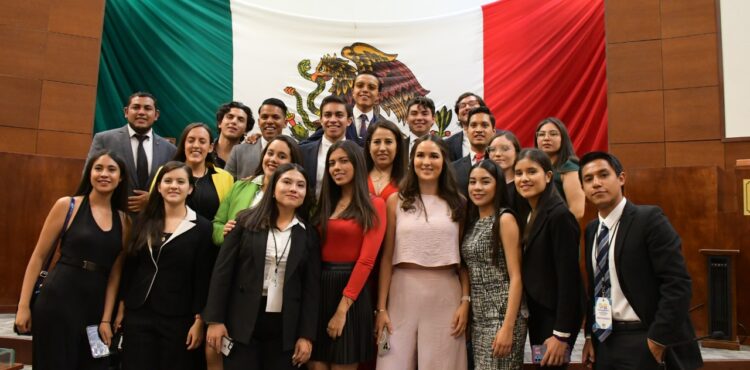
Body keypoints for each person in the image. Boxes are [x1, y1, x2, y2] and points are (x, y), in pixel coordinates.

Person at [578, 152, 703, 370]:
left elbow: (677, 284)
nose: (596, 183)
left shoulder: (649, 220)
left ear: (621, 178)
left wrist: (657, 340)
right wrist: (590, 335)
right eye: (588, 179)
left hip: (644, 336)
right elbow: (596, 289)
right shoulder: (591, 230)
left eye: (603, 175)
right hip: (605, 341)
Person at [15, 150, 129, 370]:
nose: (104, 174)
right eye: (98, 168)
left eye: (111, 169)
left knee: (97, 361)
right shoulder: (67, 206)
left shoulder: (125, 222)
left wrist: (106, 319)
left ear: (121, 177)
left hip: (95, 310)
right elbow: (38, 257)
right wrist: (23, 306)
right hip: (56, 302)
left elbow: (116, 275)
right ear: (89, 173)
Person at [202, 163, 321, 370]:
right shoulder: (245, 221)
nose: (294, 188)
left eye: (300, 185)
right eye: (287, 182)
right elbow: (222, 273)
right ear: (273, 188)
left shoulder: (308, 234)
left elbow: (311, 289)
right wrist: (214, 320)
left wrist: (306, 336)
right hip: (242, 320)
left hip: (285, 326)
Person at [375, 135, 469, 370]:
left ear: (444, 161)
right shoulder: (395, 201)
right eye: (420, 155)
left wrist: (465, 301)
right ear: (412, 160)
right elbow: (386, 258)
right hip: (401, 293)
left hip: (446, 295)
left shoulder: (459, 202)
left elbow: (463, 259)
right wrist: (381, 308)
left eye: (434, 156)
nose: (426, 162)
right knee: (393, 363)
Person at [119, 161, 214, 370]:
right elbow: (130, 267)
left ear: (190, 188)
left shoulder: (203, 227)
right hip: (139, 312)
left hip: (178, 317)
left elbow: (202, 277)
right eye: (168, 181)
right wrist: (121, 306)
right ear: (159, 187)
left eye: (181, 182)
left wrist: (199, 320)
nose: (174, 186)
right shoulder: (143, 221)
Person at [309, 141, 387, 369]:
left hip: (351, 292)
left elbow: (367, 260)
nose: (336, 167)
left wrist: (342, 310)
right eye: (332, 163)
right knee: (315, 365)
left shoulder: (375, 204)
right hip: (318, 290)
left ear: (357, 164)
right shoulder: (324, 202)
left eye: (343, 161)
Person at [513, 148, 583, 369]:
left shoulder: (559, 215)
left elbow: (569, 279)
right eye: (518, 173)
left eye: (531, 172)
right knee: (541, 365)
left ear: (548, 176)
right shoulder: (530, 212)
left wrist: (561, 335)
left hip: (555, 322)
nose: (524, 179)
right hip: (539, 317)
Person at [462, 159, 526, 370]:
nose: (477, 187)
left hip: (502, 317)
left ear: (498, 185)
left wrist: (507, 326)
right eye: (472, 182)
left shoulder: (505, 219)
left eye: (485, 182)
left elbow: (516, 277)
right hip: (479, 319)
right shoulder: (473, 222)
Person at [87, 92, 176, 213]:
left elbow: (174, 186)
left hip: (152, 222)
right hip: (111, 216)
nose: (141, 112)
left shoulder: (169, 149)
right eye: (136, 107)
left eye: (147, 108)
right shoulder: (104, 140)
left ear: (156, 115)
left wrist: (153, 198)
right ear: (126, 112)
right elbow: (88, 177)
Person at [212, 135, 303, 246]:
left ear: (293, 163)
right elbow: (217, 224)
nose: (273, 159)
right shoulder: (239, 187)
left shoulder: (295, 197)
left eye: (282, 156)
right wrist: (223, 232)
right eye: (270, 153)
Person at [165, 123, 235, 221]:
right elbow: (154, 210)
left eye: (202, 141)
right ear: (184, 144)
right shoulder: (165, 173)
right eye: (191, 140)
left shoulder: (226, 178)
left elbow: (227, 217)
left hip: (210, 235)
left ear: (210, 147)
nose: (196, 145)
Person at [302, 72, 388, 146]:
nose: (365, 90)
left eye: (371, 87)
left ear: (378, 97)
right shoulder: (334, 121)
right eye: (360, 85)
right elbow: (305, 147)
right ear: (353, 92)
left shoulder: (384, 128)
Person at [300, 95, 354, 199]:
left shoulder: (360, 154)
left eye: (339, 115)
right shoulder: (303, 152)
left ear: (349, 121)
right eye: (328, 115)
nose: (333, 120)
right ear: (321, 120)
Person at [534, 117, 584, 220]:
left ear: (563, 138)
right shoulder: (532, 167)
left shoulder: (569, 168)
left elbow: (577, 211)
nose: (546, 138)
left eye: (553, 134)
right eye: (541, 134)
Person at [225, 98, 288, 179]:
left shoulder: (294, 152)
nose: (269, 121)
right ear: (259, 122)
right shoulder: (238, 152)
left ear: (285, 123)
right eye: (264, 117)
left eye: (275, 117)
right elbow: (226, 187)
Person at [486, 131, 529, 228]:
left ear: (517, 152)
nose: (497, 154)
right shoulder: (483, 186)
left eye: (505, 149)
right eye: (492, 150)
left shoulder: (524, 186)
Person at [452, 106, 497, 198]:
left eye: (484, 125)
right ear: (467, 131)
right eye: (473, 125)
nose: (479, 130)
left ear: (494, 132)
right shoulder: (452, 169)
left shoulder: (501, 165)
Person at [364, 119, 406, 201]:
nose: (382, 148)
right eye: (377, 142)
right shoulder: (357, 177)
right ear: (369, 146)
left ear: (397, 146)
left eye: (388, 142)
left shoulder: (408, 181)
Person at [210, 101, 254, 169]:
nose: (234, 121)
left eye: (240, 119)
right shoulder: (205, 151)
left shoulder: (251, 158)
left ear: (246, 130)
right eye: (230, 117)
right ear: (220, 123)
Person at [444, 93, 487, 162]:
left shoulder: (500, 138)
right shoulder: (447, 145)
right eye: (462, 106)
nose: (467, 107)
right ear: (458, 115)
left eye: (472, 104)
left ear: (483, 110)